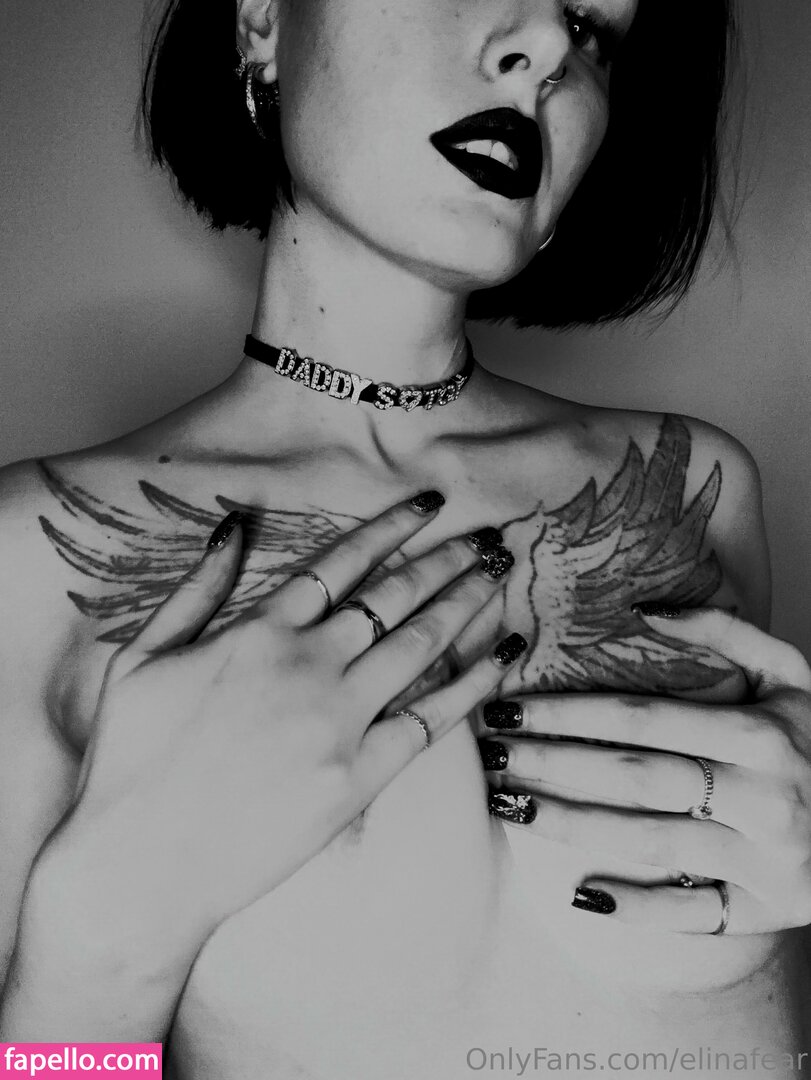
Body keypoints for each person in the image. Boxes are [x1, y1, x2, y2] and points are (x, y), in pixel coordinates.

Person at [0, 0, 809, 1074]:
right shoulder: (23, 551)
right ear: (262, 23)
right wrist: (103, 935)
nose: (548, 51)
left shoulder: (701, 486)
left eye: (593, 29)